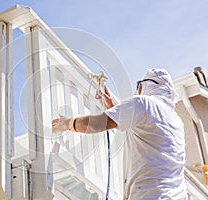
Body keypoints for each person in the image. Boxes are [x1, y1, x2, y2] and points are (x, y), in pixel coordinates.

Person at [52, 68, 187, 200]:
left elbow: (95, 124)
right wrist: (111, 106)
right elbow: (139, 131)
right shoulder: (176, 121)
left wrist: (67, 123)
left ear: (144, 85)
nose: (137, 91)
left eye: (138, 86)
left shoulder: (144, 103)